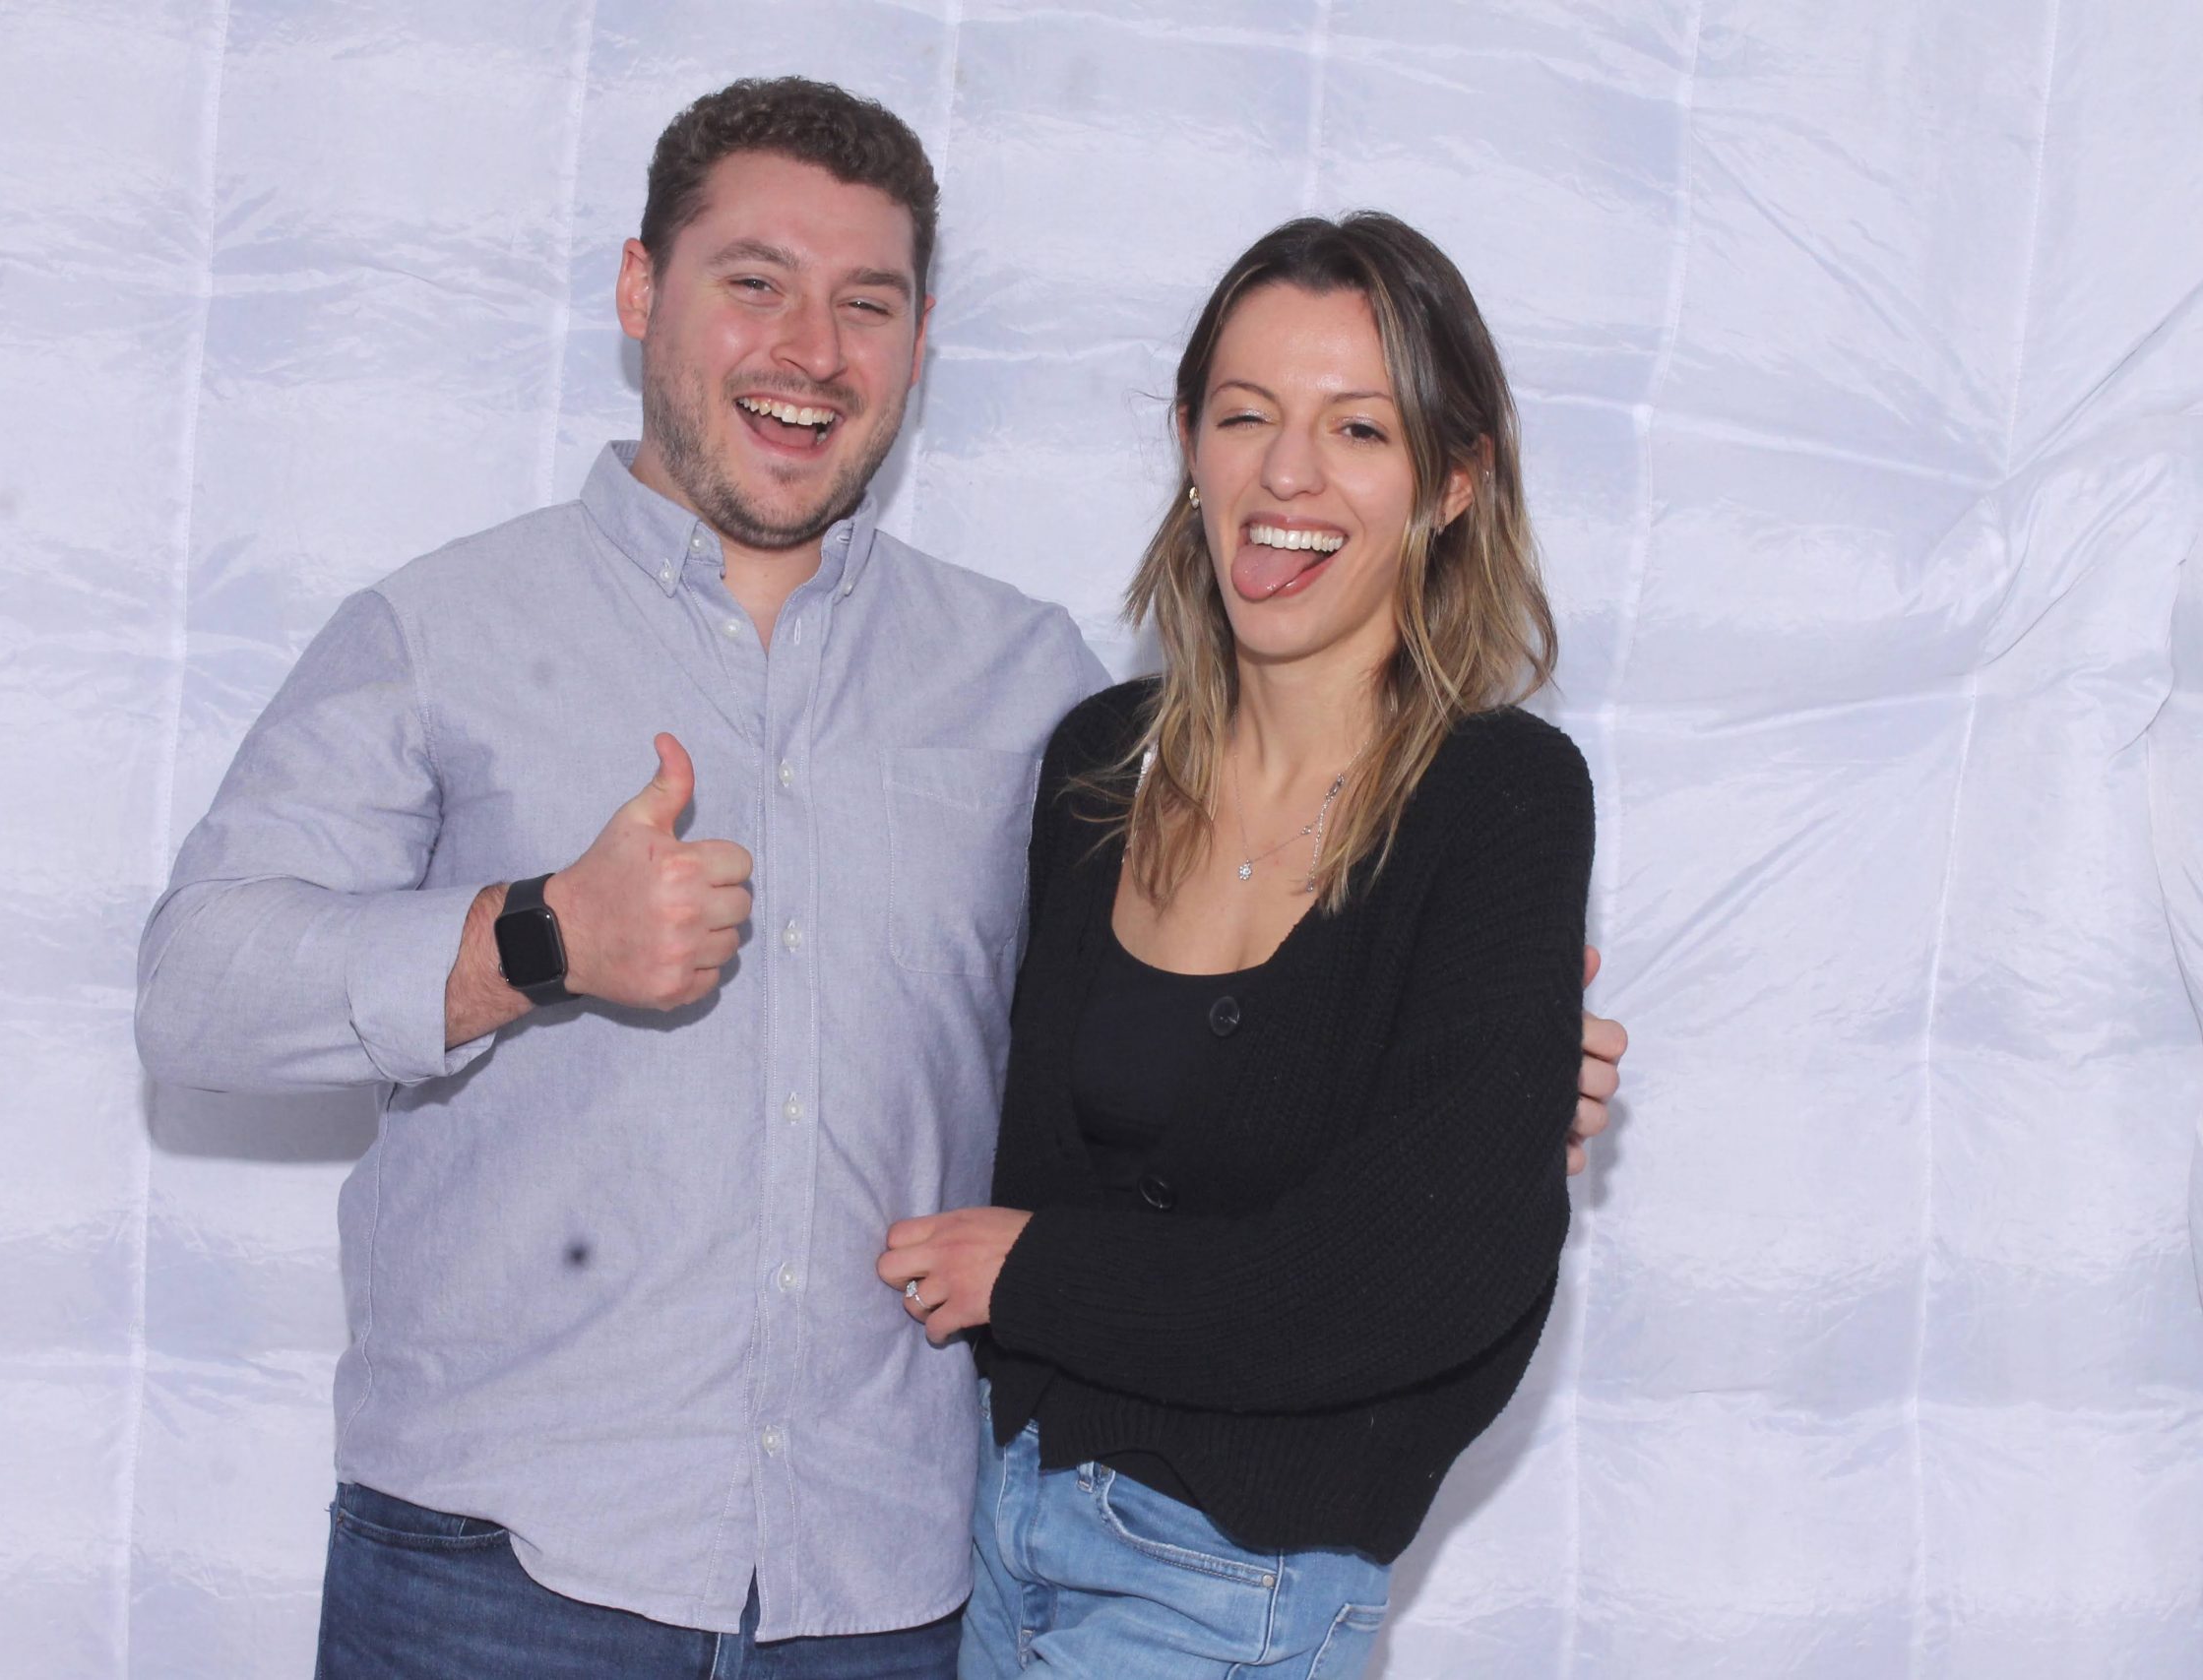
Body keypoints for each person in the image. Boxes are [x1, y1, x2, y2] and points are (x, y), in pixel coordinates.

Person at [135, 79, 1624, 1679]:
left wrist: (1470, 1095)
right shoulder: (439, 632)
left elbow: (1147, 1068)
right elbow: (193, 995)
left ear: (919, 347)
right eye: (754, 282)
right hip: (497, 1570)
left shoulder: (1033, 692)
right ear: (640, 290)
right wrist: (535, 938)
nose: (811, 350)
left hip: (887, 1589)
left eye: (867, 303)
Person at [877, 213, 1597, 1678]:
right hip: (991, 1529)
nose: (1288, 475)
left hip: (1233, 1587)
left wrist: (1042, 1278)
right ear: (1190, 445)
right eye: (1247, 415)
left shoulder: (1501, 800)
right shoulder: (1098, 766)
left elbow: (1416, 1283)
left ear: (1454, 482)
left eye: (1360, 429)